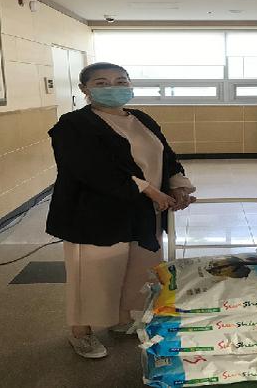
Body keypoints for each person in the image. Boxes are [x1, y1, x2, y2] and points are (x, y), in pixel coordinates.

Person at [45, 62, 196, 359]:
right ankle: (81, 332)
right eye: (101, 83)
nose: (113, 88)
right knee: (94, 274)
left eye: (120, 81)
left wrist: (177, 185)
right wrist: (149, 190)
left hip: (143, 212)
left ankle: (121, 319)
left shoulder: (141, 119)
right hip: (94, 213)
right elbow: (89, 169)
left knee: (137, 269)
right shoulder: (73, 124)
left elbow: (166, 155)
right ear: (84, 89)